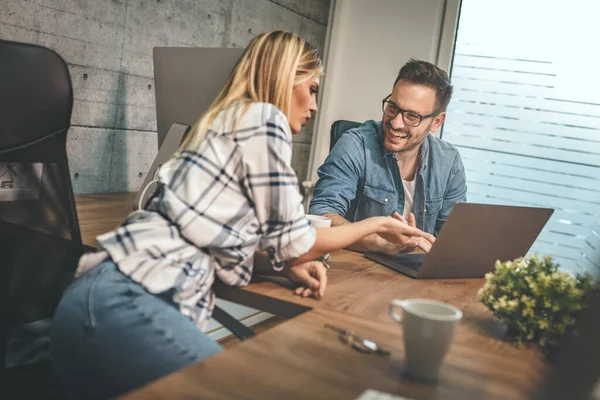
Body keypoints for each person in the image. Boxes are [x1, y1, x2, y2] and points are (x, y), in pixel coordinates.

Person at [50, 31, 431, 399]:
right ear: (285, 81)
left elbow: (235, 244)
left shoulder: (228, 122)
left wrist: (280, 266)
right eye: (312, 89)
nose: (315, 106)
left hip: (95, 303)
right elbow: (297, 243)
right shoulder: (264, 119)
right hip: (125, 304)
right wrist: (378, 223)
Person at [309, 59, 467, 255]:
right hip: (357, 270)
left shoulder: (449, 162)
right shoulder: (355, 145)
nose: (395, 123)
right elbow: (321, 215)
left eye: (411, 116)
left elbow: (452, 238)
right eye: (392, 107)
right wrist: (380, 242)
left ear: (436, 122)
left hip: (414, 275)